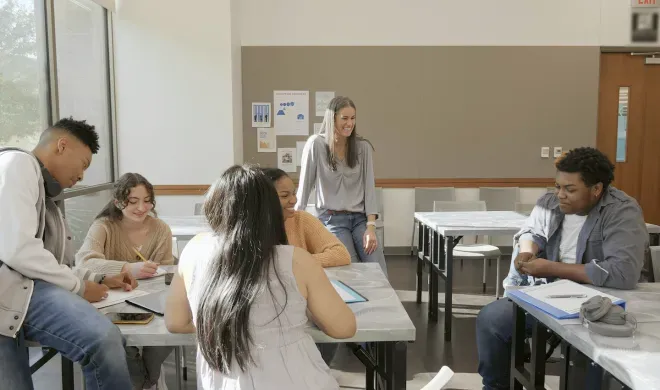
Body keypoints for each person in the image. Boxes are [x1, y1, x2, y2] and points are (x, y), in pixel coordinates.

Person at [164, 164, 356, 390]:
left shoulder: (193, 250)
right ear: (270, 209)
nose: (292, 201)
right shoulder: (296, 260)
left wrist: (230, 324)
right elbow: (344, 328)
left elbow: (175, 322)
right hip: (293, 378)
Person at [476, 147, 649, 390]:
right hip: (548, 296)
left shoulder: (622, 211)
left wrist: (551, 268)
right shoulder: (549, 203)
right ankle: (495, 387)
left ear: (596, 189)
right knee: (492, 319)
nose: (560, 195)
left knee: (592, 356)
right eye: (558, 186)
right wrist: (528, 249)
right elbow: (531, 231)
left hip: (602, 301)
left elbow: (623, 273)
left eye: (570, 189)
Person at [0, 117, 137, 390]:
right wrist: (79, 285)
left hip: (19, 290)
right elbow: (19, 251)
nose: (82, 176)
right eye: (83, 164)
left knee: (106, 340)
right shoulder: (17, 164)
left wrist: (94, 279)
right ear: (62, 146)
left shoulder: (44, 195)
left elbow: (46, 261)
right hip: (15, 290)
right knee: (103, 339)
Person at [76, 172, 174, 390]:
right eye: (133, 201)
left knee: (169, 332)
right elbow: (83, 262)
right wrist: (126, 268)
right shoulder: (104, 226)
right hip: (111, 303)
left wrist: (158, 271)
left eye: (147, 201)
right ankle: (146, 381)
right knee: (120, 341)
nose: (142, 207)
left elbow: (168, 270)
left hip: (152, 301)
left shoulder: (160, 229)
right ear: (118, 202)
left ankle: (143, 380)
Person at [295, 96, 387, 276]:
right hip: (332, 220)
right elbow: (304, 189)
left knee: (379, 271)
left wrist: (370, 228)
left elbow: (369, 189)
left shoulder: (363, 148)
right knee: (350, 272)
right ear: (332, 118)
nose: (349, 123)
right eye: (344, 118)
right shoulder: (316, 145)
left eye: (353, 118)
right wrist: (295, 225)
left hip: (360, 220)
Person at [262, 168, 350, 267]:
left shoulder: (302, 219)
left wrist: (296, 262)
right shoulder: (249, 226)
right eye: (285, 196)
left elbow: (341, 254)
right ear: (264, 198)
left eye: (294, 193)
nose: (294, 200)